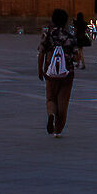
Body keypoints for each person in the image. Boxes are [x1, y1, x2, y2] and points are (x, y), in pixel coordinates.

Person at [37, 8, 79, 137]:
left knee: (50, 98)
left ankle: (51, 115)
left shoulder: (48, 34)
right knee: (63, 103)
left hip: (51, 72)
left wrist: (40, 70)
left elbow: (41, 53)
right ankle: (57, 130)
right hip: (67, 73)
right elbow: (76, 56)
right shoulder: (70, 36)